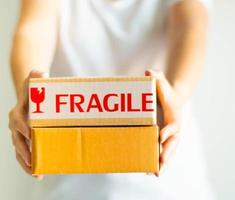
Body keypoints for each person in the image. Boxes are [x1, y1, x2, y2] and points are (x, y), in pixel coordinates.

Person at [8, 0, 214, 199]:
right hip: (66, 178)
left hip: (167, 178)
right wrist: (28, 99)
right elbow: (34, 29)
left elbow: (191, 28)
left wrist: (176, 94)